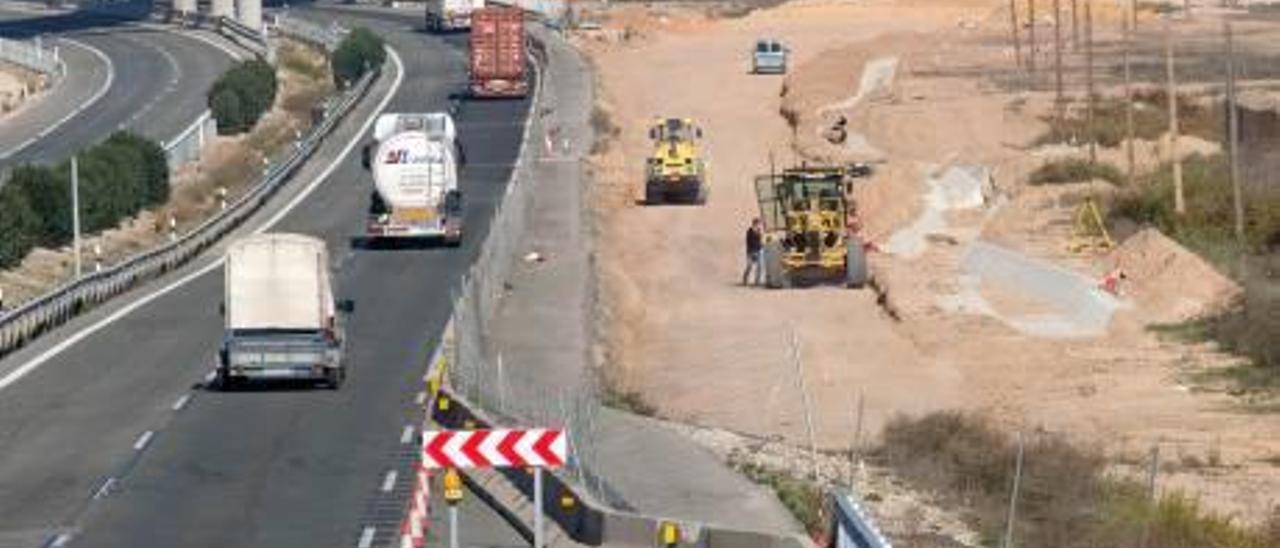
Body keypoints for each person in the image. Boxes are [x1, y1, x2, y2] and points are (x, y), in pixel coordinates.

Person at [742, 218, 764, 286]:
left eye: (759, 224)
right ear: (754, 224)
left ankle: (757, 282)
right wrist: (752, 251)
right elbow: (749, 242)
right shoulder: (749, 231)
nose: (758, 225)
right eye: (757, 224)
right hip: (751, 251)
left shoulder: (759, 231)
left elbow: (760, 241)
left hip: (758, 250)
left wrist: (761, 245)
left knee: (760, 266)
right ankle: (745, 279)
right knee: (749, 266)